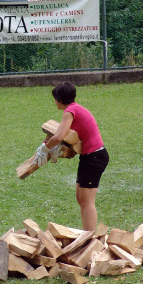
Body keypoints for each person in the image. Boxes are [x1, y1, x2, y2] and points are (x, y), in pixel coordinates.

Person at [33, 82, 109, 231]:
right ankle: (86, 235)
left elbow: (60, 135)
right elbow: (63, 135)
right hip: (88, 158)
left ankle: (89, 239)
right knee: (81, 199)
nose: (54, 102)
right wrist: (50, 145)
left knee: (87, 202)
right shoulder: (74, 109)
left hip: (95, 157)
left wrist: (44, 149)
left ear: (60, 99)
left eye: (55, 98)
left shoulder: (70, 111)